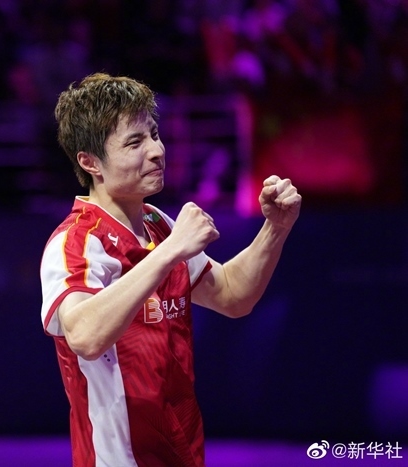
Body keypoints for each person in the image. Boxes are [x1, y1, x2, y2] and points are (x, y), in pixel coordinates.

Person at [39, 73, 301, 467]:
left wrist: (275, 228)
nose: (157, 151)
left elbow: (233, 295)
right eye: (134, 143)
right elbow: (84, 335)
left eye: (154, 134)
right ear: (90, 162)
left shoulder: (158, 224)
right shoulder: (76, 243)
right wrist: (169, 252)